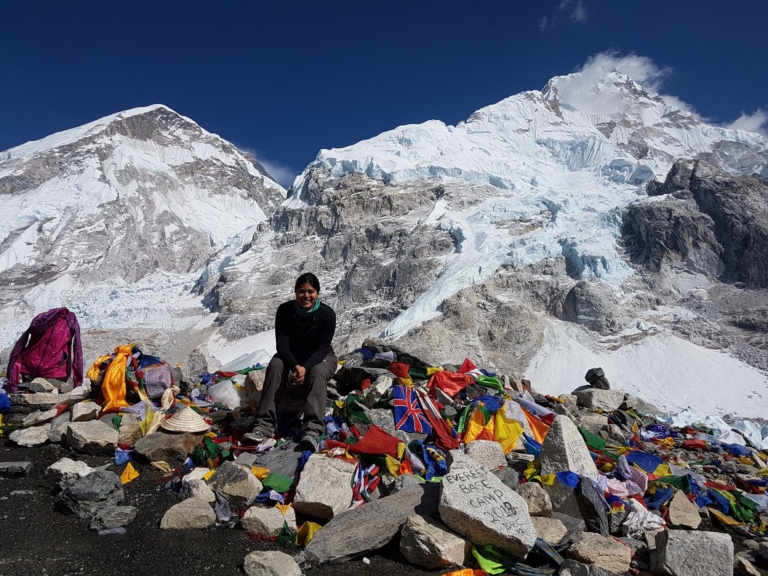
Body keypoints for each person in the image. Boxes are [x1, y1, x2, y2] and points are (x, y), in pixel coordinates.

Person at [245, 273, 337, 451]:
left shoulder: (327, 314)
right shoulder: (285, 311)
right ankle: (263, 425)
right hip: (291, 356)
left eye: (310, 291)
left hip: (322, 356)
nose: (306, 296)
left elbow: (322, 349)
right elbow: (282, 345)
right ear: (295, 292)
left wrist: (305, 368)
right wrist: (296, 366)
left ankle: (312, 430)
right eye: (301, 291)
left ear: (317, 293)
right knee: (275, 365)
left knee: (318, 373)